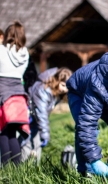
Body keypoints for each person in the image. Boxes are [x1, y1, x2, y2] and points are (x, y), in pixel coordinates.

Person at [20, 67, 72, 163]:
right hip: (28, 121)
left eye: (67, 88)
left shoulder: (54, 92)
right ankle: (19, 171)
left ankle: (33, 172)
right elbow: (41, 114)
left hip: (35, 122)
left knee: (37, 146)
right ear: (56, 80)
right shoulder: (43, 90)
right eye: (63, 85)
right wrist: (45, 134)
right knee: (26, 146)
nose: (64, 90)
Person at [0, 21, 30, 165]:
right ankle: (17, 170)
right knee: (12, 133)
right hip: (19, 97)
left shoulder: (1, 50)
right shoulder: (25, 54)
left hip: (3, 95)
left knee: (3, 132)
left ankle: (6, 170)